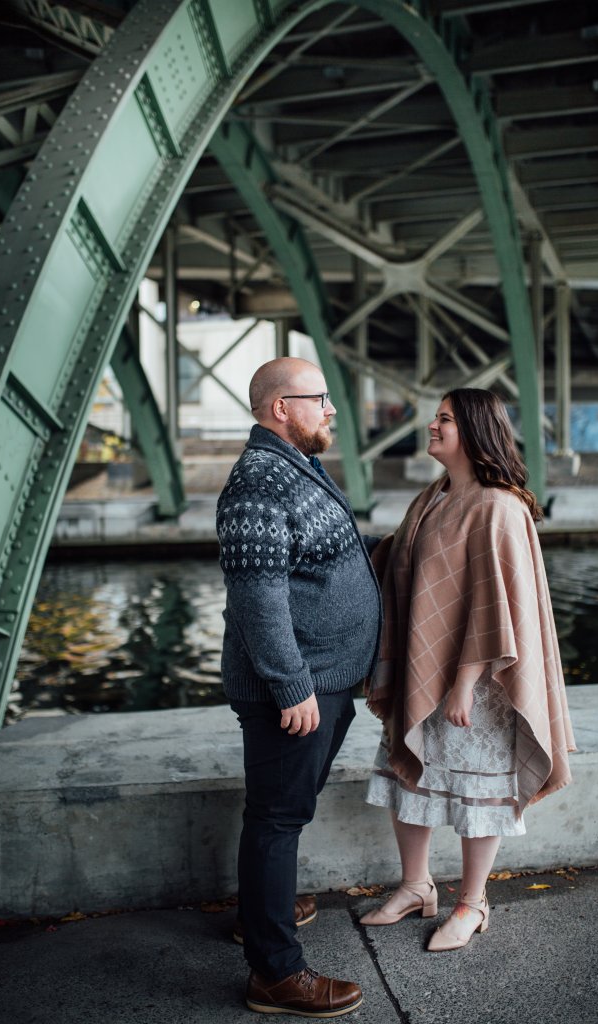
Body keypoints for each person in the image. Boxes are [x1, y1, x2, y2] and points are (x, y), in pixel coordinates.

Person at [361, 388, 575, 951]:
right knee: (413, 779)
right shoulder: (434, 496)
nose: (432, 426)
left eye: (445, 419)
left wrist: (461, 684)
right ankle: (416, 886)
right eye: (435, 417)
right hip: (422, 670)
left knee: (475, 796)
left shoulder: (497, 506)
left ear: (476, 432)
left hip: (476, 686)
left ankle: (472, 902)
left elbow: (495, 605)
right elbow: (407, 571)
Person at [216, 357, 382, 1016]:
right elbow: (258, 599)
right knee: (278, 820)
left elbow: (324, 554)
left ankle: (266, 910)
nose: (331, 409)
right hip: (297, 689)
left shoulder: (295, 465)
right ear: (280, 407)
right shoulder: (258, 481)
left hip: (325, 681)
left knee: (287, 811)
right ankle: (275, 974)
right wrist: (291, 687)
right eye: (319, 399)